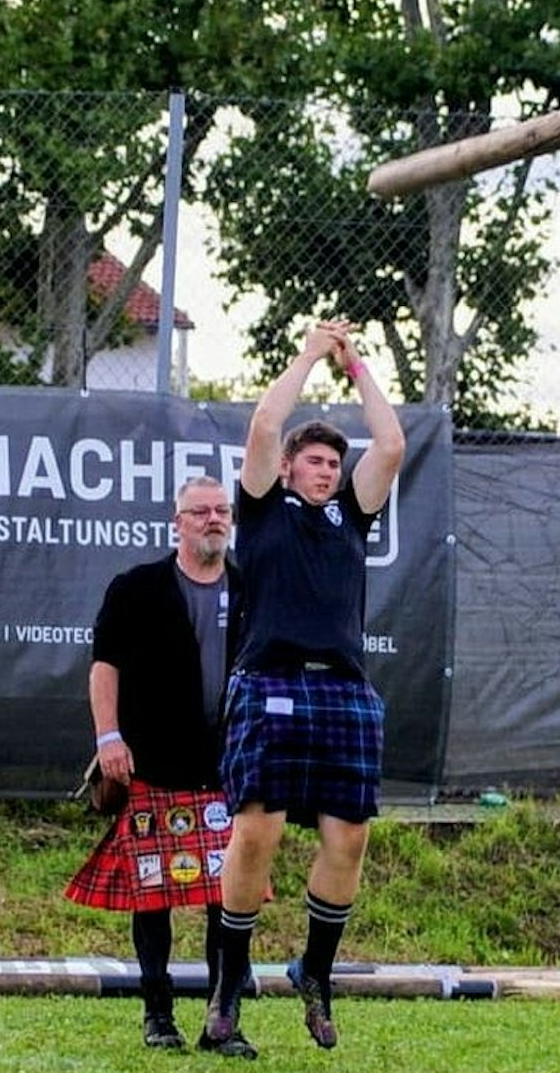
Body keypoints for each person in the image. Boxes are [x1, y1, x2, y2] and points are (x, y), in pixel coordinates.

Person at [200, 320, 405, 1057]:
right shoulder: (258, 509)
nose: (325, 470)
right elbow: (263, 421)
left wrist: (354, 366)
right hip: (269, 682)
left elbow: (391, 446)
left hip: (343, 691)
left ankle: (313, 974)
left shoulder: (352, 514)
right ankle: (227, 989)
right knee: (258, 831)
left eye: (331, 463)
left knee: (348, 837)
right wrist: (310, 354)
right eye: (314, 461)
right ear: (288, 468)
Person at [65, 476, 247, 1050]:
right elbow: (105, 666)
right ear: (177, 522)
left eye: (221, 511)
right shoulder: (137, 588)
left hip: (226, 768)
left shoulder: (251, 588)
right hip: (152, 763)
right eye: (200, 512)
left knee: (229, 899)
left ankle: (223, 1022)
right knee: (152, 896)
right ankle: (157, 1014)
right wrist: (108, 736)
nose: (212, 519)